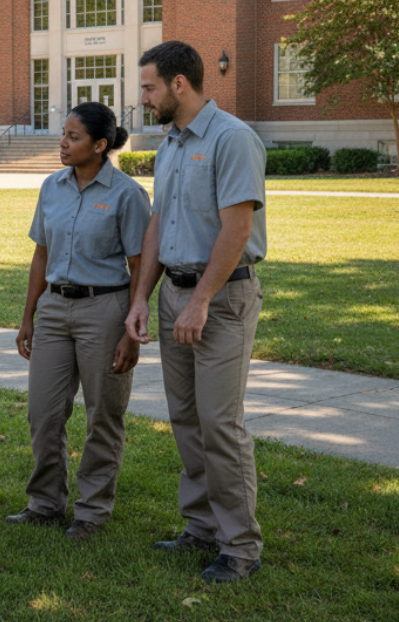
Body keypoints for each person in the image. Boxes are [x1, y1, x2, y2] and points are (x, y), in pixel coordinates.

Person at [124, 40, 267, 584]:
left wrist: (202, 300)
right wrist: (142, 296)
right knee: (186, 419)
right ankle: (201, 527)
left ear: (178, 84)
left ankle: (241, 547)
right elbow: (159, 223)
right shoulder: (170, 145)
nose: (144, 97)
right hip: (174, 295)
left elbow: (236, 229)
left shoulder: (232, 138)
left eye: (149, 87)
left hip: (222, 298)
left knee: (220, 424)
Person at [8, 102, 150, 540]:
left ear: (100, 145)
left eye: (73, 137)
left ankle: (91, 511)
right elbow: (41, 254)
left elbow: (140, 264)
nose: (63, 144)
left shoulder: (127, 194)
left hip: (103, 311)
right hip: (54, 308)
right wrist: (29, 315)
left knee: (103, 414)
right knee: (43, 413)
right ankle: (46, 502)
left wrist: (131, 329)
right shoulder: (52, 187)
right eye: (62, 135)